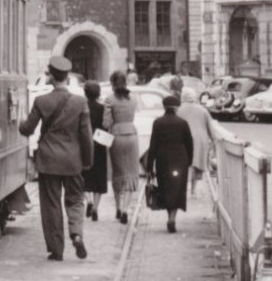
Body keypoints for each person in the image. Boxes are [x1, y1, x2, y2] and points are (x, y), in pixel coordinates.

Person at [18, 55, 94, 261]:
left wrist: (19, 120)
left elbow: (27, 129)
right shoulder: (80, 102)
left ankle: (56, 249)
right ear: (67, 77)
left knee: (51, 205)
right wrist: (87, 161)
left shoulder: (41, 101)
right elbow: (86, 136)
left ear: (51, 76)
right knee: (75, 200)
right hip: (73, 160)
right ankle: (76, 233)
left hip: (49, 160)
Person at [142, 94, 194, 234]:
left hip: (162, 160)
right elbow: (189, 143)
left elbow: (153, 145)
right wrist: (189, 161)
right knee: (177, 188)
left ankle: (169, 216)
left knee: (166, 187)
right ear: (177, 108)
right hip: (180, 160)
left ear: (164, 107)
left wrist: (149, 166)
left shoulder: (158, 123)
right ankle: (173, 217)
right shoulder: (183, 123)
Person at [103, 71, 141, 225]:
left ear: (112, 83)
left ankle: (118, 208)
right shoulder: (133, 99)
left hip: (116, 136)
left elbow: (106, 123)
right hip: (131, 135)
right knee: (131, 173)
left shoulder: (109, 99)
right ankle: (126, 209)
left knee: (118, 172)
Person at [177, 86, 222, 203]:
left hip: (184, 140)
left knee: (187, 165)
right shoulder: (202, 110)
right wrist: (214, 140)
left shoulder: (179, 110)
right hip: (201, 140)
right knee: (196, 165)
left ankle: (185, 190)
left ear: (183, 97)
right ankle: (193, 189)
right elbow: (211, 128)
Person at [81, 81, 108, 222]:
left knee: (84, 176)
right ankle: (96, 208)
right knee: (99, 177)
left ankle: (88, 201)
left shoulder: (82, 107)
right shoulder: (102, 108)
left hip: (85, 145)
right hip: (99, 144)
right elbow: (106, 126)